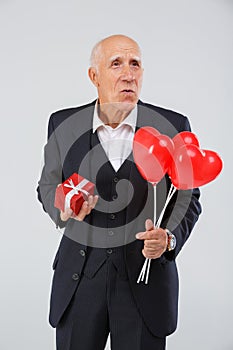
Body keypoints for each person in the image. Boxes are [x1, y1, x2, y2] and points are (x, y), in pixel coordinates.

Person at [37, 34, 202, 350]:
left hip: (145, 281)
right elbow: (46, 187)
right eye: (116, 64)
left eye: (135, 64)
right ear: (94, 76)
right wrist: (63, 208)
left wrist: (168, 238)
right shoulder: (63, 123)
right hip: (79, 281)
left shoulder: (172, 124)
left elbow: (188, 197)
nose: (129, 74)